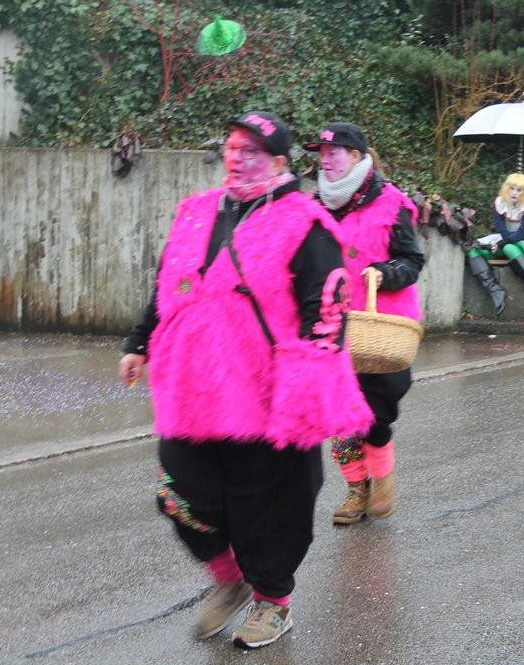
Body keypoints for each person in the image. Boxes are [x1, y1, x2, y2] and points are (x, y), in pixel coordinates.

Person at [118, 111, 372, 649]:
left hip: (267, 393)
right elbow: (170, 283)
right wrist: (140, 342)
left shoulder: (305, 222)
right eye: (233, 146)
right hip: (192, 388)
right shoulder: (196, 212)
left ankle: (273, 602)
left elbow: (326, 307)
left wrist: (305, 387)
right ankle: (228, 578)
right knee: (181, 492)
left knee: (268, 506)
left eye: (252, 149)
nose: (237, 156)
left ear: (279, 160)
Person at [303, 121, 425, 525]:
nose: (325, 161)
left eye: (332, 153)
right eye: (320, 154)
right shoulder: (314, 206)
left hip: (383, 328)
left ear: (355, 156)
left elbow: (412, 262)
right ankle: (357, 488)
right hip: (331, 324)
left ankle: (382, 475)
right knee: (337, 414)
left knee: (375, 410)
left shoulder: (392, 203)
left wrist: (383, 273)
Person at [466, 172, 524, 314]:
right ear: (506, 188)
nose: (514, 193)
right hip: (504, 241)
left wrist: (499, 244)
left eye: (519, 190)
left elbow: (522, 233)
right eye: (512, 188)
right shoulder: (499, 203)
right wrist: (497, 244)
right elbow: (504, 232)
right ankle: (496, 291)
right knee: (472, 251)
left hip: (522, 244)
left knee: (508, 247)